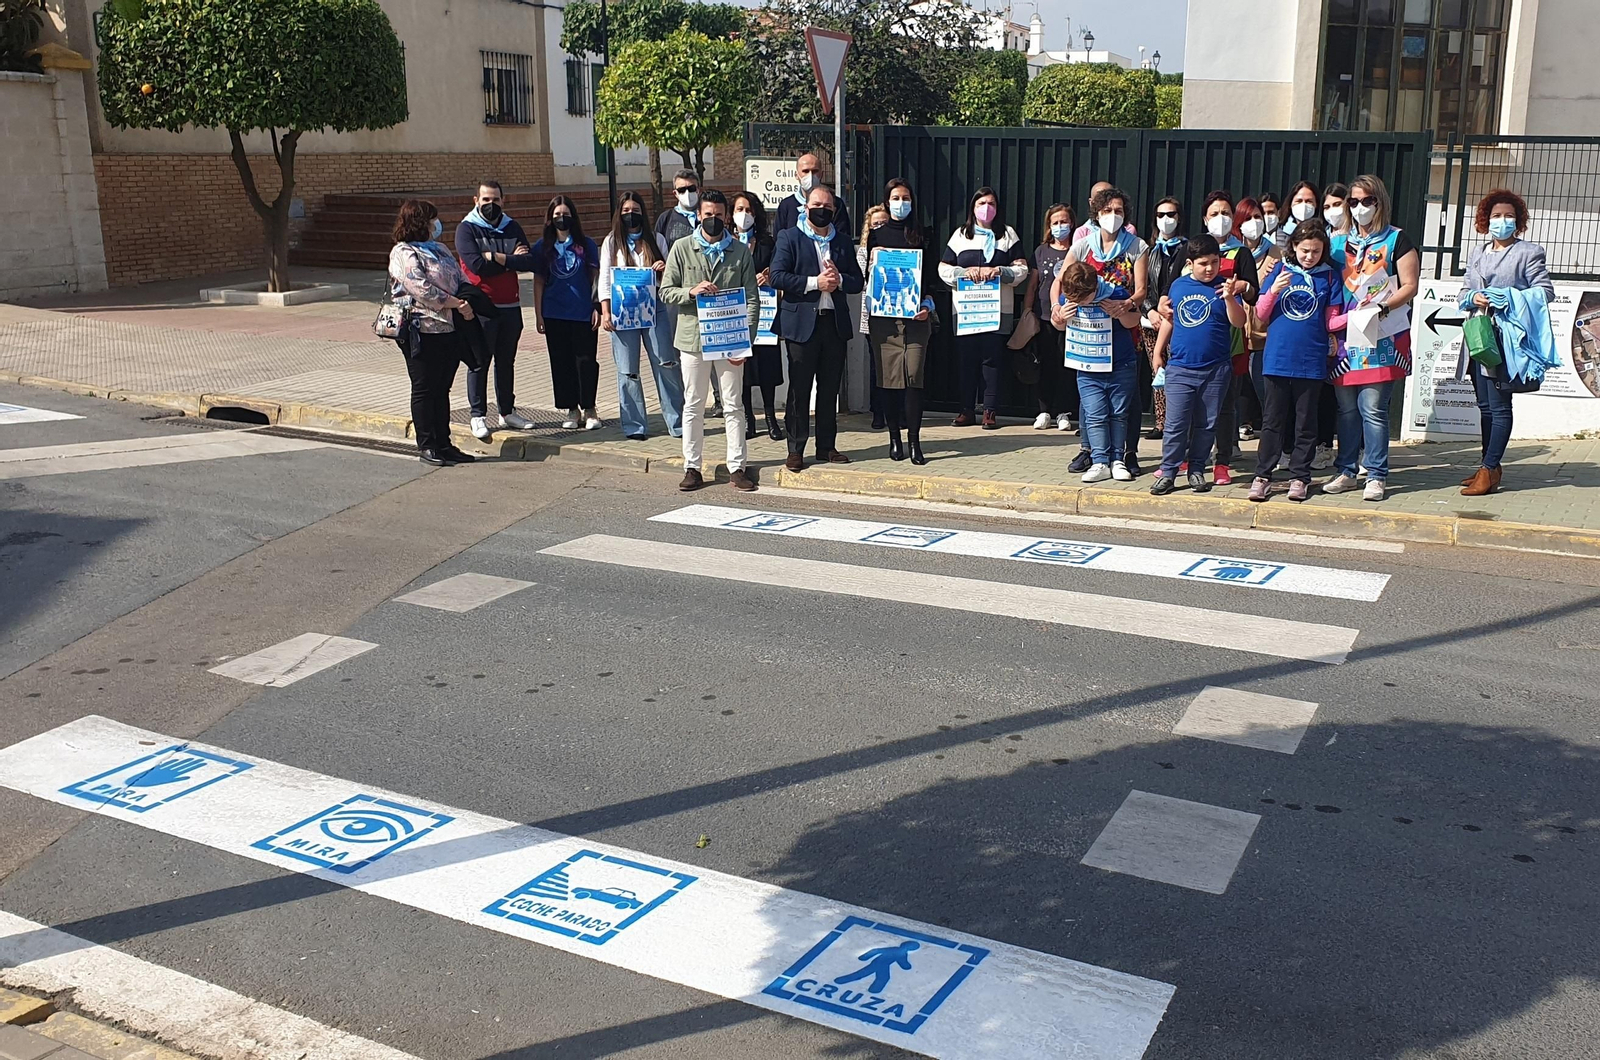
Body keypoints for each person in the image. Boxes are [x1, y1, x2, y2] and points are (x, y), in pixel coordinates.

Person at [1323, 174, 1420, 503]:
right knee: (1346, 409)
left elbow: (1410, 285)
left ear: (1380, 202)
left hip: (1381, 334)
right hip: (1343, 336)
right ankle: (1346, 470)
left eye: (1367, 201)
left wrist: (1381, 305)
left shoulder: (1397, 240)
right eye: (1354, 202)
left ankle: (1376, 474)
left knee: (1373, 408)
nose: (1360, 207)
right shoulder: (1337, 243)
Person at [1455, 188, 1555, 496]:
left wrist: (1508, 298)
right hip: (1478, 333)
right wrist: (1473, 296)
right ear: (1486, 220)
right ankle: (1490, 465)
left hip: (1506, 338)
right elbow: (1462, 293)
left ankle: (1489, 469)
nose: (1502, 221)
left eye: (1509, 216)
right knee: (1484, 406)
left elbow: (1545, 291)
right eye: (1496, 216)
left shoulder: (1529, 251)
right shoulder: (1477, 252)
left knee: (1499, 406)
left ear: (1519, 221)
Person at [659, 188, 759, 492]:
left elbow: (752, 299)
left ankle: (737, 467)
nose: (712, 220)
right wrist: (690, 292)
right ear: (698, 216)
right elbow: (666, 291)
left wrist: (746, 341)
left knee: (733, 404)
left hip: (730, 339)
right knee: (694, 404)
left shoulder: (740, 251)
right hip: (693, 339)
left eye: (718, 215)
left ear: (726, 216)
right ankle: (692, 466)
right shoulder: (682, 247)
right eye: (707, 215)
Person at [1247, 220, 1344, 502]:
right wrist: (1274, 289)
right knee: (1272, 421)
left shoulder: (1329, 277)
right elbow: (1262, 314)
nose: (1309, 257)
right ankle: (1263, 475)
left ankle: (1300, 476)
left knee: (1305, 423)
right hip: (1277, 357)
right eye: (1304, 251)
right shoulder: (1280, 269)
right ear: (1293, 247)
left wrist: (1361, 314)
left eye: (1315, 251)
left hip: (1311, 359)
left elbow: (1332, 320)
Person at [771, 182, 865, 469]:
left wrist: (839, 281)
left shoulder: (842, 241)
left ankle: (827, 446)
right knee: (799, 389)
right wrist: (815, 283)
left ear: (834, 211)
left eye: (827, 207)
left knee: (829, 389)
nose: (821, 211)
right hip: (801, 325)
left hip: (832, 325)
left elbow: (857, 280)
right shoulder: (790, 237)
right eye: (816, 206)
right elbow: (777, 276)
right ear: (806, 208)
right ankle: (796, 448)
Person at [1149, 234, 1249, 495]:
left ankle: (1196, 470)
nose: (1209, 269)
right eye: (1203, 263)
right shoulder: (1178, 286)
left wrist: (1229, 297)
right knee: (1175, 424)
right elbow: (1170, 318)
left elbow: (1238, 322)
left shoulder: (1226, 287)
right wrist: (1159, 351)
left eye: (1214, 262)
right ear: (1190, 263)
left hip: (1216, 368)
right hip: (1181, 367)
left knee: (1207, 423)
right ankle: (1169, 471)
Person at [1064, 185, 1148, 475]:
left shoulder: (1137, 246)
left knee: (1125, 403)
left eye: (1118, 211)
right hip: (1088, 339)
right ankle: (1091, 453)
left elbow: (1140, 292)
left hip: (1122, 328)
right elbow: (1061, 283)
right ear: (1096, 213)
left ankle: (1126, 454)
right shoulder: (1083, 245)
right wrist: (1056, 309)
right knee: (1093, 404)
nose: (1113, 216)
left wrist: (1124, 305)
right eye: (1107, 211)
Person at [387, 199, 477, 467]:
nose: (436, 225)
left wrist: (468, 299)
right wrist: (455, 303)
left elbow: (460, 277)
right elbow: (420, 287)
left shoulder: (438, 248)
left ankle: (444, 443)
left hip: (448, 327)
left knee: (442, 388)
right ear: (419, 222)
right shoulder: (402, 252)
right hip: (420, 329)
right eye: (431, 220)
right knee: (425, 387)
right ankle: (427, 445)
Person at [940, 186, 1030, 429]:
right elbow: (943, 268)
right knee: (966, 361)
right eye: (981, 203)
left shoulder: (1007, 235)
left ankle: (990, 410)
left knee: (992, 361)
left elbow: (1022, 269)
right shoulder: (961, 235)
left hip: (996, 311)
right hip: (967, 312)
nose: (986, 208)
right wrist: (962, 272)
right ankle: (966, 410)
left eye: (990, 203)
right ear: (973, 207)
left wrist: (1001, 271)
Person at [455, 180, 537, 441]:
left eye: (496, 200)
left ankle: (507, 411)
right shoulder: (466, 229)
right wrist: (509, 260)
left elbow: (529, 260)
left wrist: (496, 257)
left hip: (511, 305)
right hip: (482, 307)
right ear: (476, 200)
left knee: (506, 361)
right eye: (486, 200)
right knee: (479, 362)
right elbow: (477, 266)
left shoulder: (511, 226)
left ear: (504, 200)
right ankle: (478, 415)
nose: (491, 205)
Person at [599, 190, 684, 441]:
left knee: (666, 363)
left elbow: (672, 278)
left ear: (643, 213)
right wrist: (605, 311)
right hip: (623, 312)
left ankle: (677, 423)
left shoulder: (656, 238)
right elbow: (604, 278)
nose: (630, 215)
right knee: (628, 370)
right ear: (618, 214)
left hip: (654, 309)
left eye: (635, 210)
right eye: (625, 211)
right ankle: (634, 425)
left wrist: (664, 268)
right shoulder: (611, 242)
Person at [865, 178, 938, 464]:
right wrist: (871, 263)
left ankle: (915, 441)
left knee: (913, 379)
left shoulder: (924, 234)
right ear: (886, 201)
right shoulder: (877, 236)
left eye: (905, 197)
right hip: (885, 319)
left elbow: (931, 280)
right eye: (895, 198)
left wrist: (927, 305)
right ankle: (894, 438)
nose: (901, 203)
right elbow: (868, 279)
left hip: (916, 318)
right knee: (889, 380)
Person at [1055, 262, 1143, 482]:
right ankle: (1099, 462)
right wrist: (1060, 317)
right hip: (1087, 368)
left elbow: (1135, 320)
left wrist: (1121, 311)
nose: (1079, 303)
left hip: (1120, 365)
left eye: (1083, 300)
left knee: (1118, 414)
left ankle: (1117, 460)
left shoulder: (1117, 293)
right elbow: (1058, 325)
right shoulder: (1070, 297)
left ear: (1094, 288)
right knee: (1094, 416)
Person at [530, 195, 602, 430]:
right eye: (557, 215)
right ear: (550, 219)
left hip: (582, 312)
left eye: (566, 214)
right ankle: (572, 409)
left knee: (586, 362)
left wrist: (596, 307)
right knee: (561, 363)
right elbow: (539, 281)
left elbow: (595, 278)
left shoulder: (586, 244)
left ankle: (589, 408)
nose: (562, 219)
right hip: (554, 313)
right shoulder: (543, 247)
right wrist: (539, 314)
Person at [656, 169, 722, 418]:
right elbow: (658, 250)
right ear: (674, 193)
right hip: (682, 296)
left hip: (714, 296)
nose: (688, 193)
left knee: (716, 347)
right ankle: (687, 399)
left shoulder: (709, 215)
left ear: (700, 188)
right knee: (681, 350)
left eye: (692, 188)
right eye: (682, 189)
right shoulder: (666, 219)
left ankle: (719, 399)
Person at [1283, 180, 1336, 468]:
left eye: (1311, 201)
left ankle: (1320, 449)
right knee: (1282, 408)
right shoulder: (1281, 259)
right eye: (1298, 200)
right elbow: (1264, 306)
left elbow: (1333, 309)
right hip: (1282, 347)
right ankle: (1286, 451)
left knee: (1315, 405)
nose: (1309, 255)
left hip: (1318, 346)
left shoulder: (1329, 270)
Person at [1020, 203, 1078, 432]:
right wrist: (1027, 311)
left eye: (1064, 222)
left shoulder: (1078, 249)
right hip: (1044, 316)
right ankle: (1044, 411)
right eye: (1055, 223)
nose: (1060, 226)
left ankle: (1063, 412)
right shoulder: (1041, 251)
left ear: (1072, 223)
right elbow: (1033, 285)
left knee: (1066, 366)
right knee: (1044, 364)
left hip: (1071, 318)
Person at [731, 191, 784, 441]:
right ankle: (749, 419)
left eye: (749, 210)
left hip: (764, 314)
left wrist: (768, 275)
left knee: (767, 368)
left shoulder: (767, 242)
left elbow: (779, 267)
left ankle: (772, 418)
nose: (744, 214)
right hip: (735, 313)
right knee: (743, 369)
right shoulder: (727, 242)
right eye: (739, 209)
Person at [1237, 196, 1282, 440]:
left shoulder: (1277, 253)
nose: (1254, 223)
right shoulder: (1233, 251)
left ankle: (1275, 445)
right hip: (1235, 334)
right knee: (1234, 395)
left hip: (1264, 336)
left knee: (1267, 394)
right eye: (1248, 218)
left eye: (1258, 217)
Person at [1143, 196, 1188, 440]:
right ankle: (1161, 421)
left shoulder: (1187, 249)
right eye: (1161, 215)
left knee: (1178, 372)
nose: (1166, 220)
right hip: (1152, 321)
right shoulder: (1150, 251)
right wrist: (1150, 310)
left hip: (1178, 321)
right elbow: (1142, 288)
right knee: (1158, 370)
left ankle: (1177, 421)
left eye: (1171, 214)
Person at [859, 204, 891, 430]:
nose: (879, 227)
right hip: (871, 313)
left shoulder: (898, 248)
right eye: (875, 224)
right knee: (876, 366)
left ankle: (895, 413)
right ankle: (877, 412)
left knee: (895, 367)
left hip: (896, 313)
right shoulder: (863, 251)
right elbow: (859, 280)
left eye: (883, 223)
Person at [774, 152, 851, 236]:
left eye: (815, 171)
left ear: (821, 174)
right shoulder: (786, 205)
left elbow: (843, 237)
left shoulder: (835, 203)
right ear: (796, 175)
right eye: (805, 171)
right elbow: (779, 239)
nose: (810, 176)